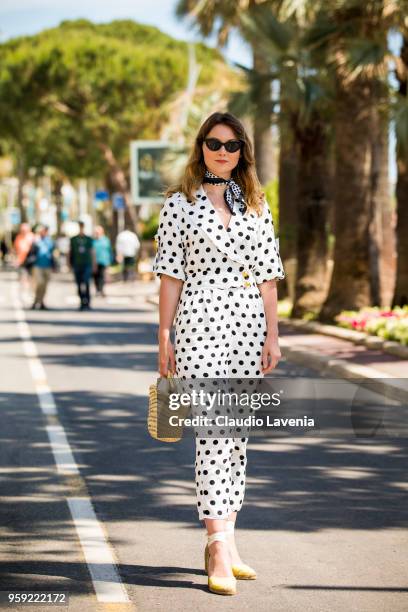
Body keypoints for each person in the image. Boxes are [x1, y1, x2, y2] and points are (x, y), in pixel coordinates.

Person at [153, 112, 285, 596]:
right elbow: (170, 275)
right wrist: (163, 337)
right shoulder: (179, 204)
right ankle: (214, 545)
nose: (222, 152)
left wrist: (273, 335)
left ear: (242, 152)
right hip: (198, 324)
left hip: (248, 325)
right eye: (214, 143)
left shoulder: (255, 203)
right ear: (201, 148)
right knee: (212, 431)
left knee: (235, 436)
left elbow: (268, 275)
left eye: (231, 145)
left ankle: (228, 540)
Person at [69, 221, 94, 311]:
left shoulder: (89, 239)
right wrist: (69, 264)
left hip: (86, 263)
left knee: (86, 282)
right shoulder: (73, 239)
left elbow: (92, 252)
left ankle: (87, 301)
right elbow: (70, 252)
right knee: (79, 284)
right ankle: (81, 301)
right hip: (77, 264)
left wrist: (94, 264)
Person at [31, 225, 55, 310]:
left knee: (45, 285)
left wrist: (54, 265)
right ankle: (36, 300)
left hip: (47, 265)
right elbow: (32, 251)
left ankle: (41, 302)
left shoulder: (49, 241)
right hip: (38, 266)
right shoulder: (36, 240)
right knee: (39, 283)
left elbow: (53, 253)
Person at [93, 225, 113, 296]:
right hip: (95, 261)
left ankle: (100, 290)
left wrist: (110, 260)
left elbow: (109, 250)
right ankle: (97, 289)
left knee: (102, 276)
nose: (96, 234)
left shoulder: (106, 240)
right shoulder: (93, 241)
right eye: (96, 232)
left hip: (104, 261)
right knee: (95, 276)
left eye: (98, 232)